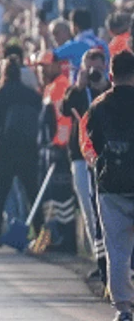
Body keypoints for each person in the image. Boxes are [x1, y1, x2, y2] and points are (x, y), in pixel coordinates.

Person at [80, 51, 134, 321]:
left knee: (117, 250)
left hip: (110, 184)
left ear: (111, 75)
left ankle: (123, 309)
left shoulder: (99, 106)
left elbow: (94, 144)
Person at [0, 57, 42, 247]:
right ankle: (41, 234)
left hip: (5, 148)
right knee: (33, 192)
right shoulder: (32, 95)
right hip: (29, 149)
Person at [63, 48, 110, 281]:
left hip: (103, 154)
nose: (94, 73)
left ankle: (108, 260)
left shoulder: (109, 89)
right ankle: (98, 257)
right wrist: (79, 87)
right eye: (90, 67)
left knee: (105, 207)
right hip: (81, 154)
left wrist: (102, 86)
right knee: (88, 206)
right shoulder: (77, 90)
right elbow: (64, 109)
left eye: (98, 67)